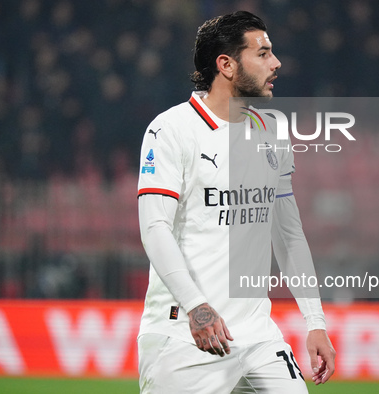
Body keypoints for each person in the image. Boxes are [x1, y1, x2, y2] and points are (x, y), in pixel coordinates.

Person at [137, 11, 336, 393]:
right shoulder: (172, 130)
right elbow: (154, 227)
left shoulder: (271, 130)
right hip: (186, 334)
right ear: (226, 65)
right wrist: (197, 307)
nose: (276, 63)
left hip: (258, 336)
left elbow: (288, 234)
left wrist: (315, 321)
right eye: (262, 54)